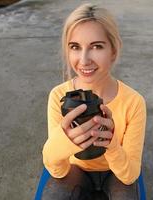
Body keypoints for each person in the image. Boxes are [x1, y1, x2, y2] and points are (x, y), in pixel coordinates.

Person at [42, 3, 147, 200]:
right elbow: (56, 169)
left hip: (115, 172)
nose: (84, 60)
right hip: (76, 170)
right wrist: (62, 142)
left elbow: (130, 175)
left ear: (113, 51)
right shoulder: (59, 96)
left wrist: (112, 145)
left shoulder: (133, 102)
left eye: (96, 46)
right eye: (75, 47)